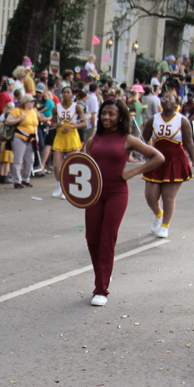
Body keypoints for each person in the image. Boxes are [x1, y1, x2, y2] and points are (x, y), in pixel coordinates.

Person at [83, 99, 165, 306]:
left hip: (116, 193)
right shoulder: (93, 139)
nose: (106, 117)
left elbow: (158, 157)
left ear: (120, 117)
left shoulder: (128, 139)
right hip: (94, 194)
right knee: (92, 239)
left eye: (111, 114)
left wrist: (132, 172)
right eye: (104, 113)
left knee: (107, 239)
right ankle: (103, 274)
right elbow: (82, 163)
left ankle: (101, 289)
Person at [141, 92, 194, 238]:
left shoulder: (182, 120)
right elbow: (144, 138)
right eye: (164, 98)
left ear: (176, 103)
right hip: (156, 159)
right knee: (150, 196)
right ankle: (158, 214)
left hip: (175, 160)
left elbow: (189, 142)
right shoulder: (153, 119)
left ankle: (165, 226)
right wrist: (144, 152)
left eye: (170, 98)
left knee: (168, 196)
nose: (166, 100)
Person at [51, 86, 86, 199]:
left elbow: (84, 123)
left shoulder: (77, 107)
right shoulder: (56, 108)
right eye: (64, 92)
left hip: (72, 136)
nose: (66, 94)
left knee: (71, 164)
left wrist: (72, 126)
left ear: (72, 95)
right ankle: (59, 185)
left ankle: (68, 188)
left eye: (68, 92)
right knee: (56, 165)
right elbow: (52, 123)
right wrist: (56, 124)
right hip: (60, 136)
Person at [5, 93, 40, 189]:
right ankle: (17, 181)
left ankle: (26, 178)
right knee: (18, 159)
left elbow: (35, 125)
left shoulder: (33, 111)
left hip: (31, 138)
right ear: (25, 103)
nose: (33, 103)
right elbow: (8, 121)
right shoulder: (17, 111)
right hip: (19, 136)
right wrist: (19, 119)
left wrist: (36, 135)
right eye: (31, 102)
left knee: (30, 159)